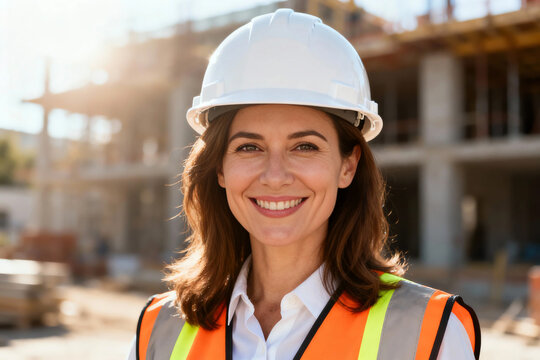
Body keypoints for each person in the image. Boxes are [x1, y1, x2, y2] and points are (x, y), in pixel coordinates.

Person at [128, 8, 480, 360]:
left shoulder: (430, 333)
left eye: (305, 147)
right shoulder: (159, 329)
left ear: (347, 166)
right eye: (249, 147)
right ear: (219, 168)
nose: (275, 175)